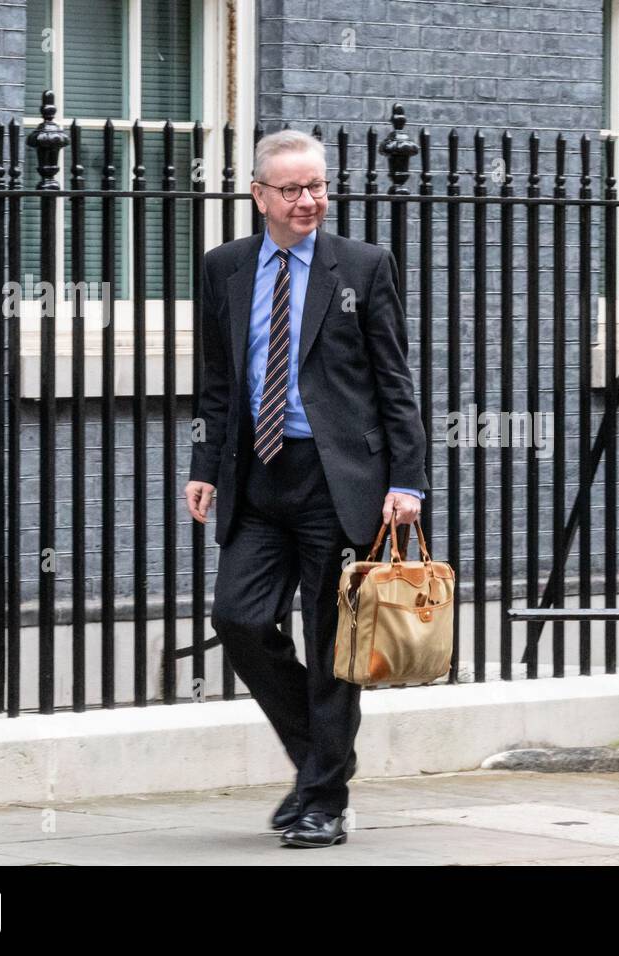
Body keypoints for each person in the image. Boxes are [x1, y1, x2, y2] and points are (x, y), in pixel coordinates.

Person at [184, 129, 429, 848]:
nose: (308, 201)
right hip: (257, 479)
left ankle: (322, 800)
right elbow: (218, 383)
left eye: (317, 187)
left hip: (337, 482)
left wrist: (407, 479)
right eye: (291, 190)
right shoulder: (224, 267)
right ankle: (324, 760)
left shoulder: (361, 265)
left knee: (332, 647)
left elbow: (395, 382)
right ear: (258, 195)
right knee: (238, 617)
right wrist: (203, 467)